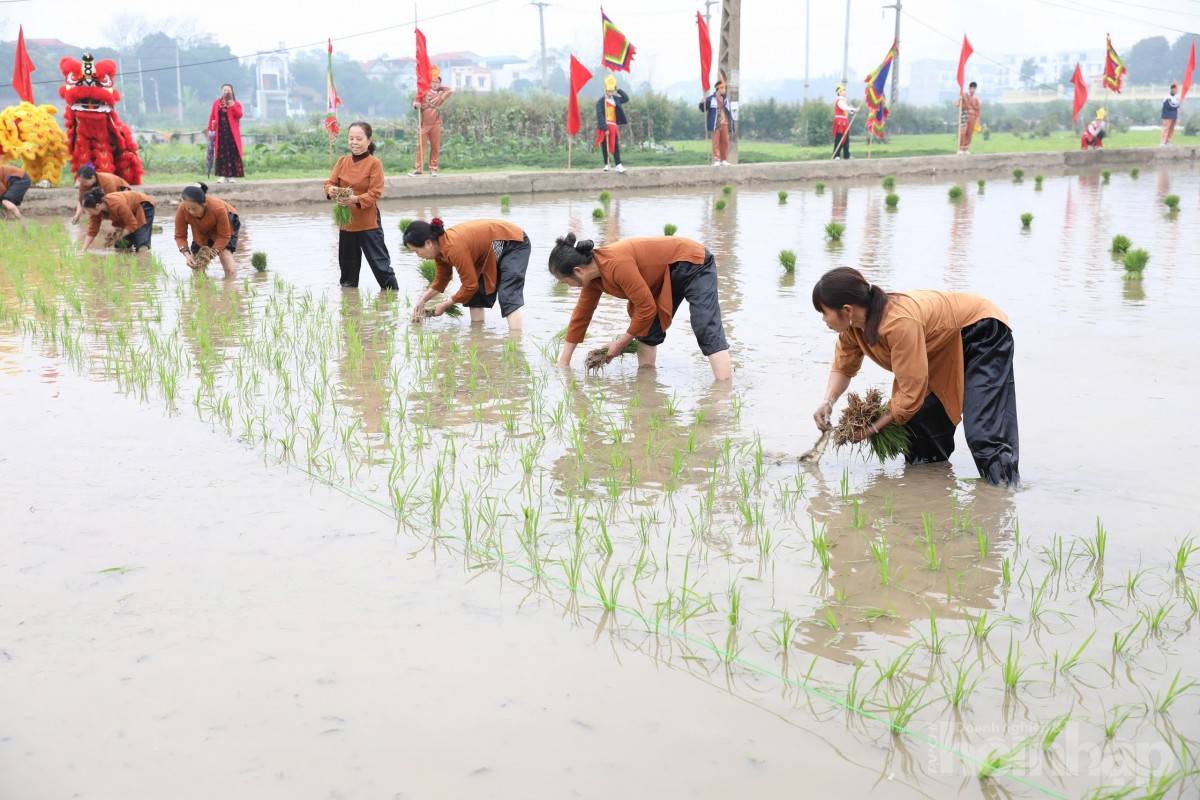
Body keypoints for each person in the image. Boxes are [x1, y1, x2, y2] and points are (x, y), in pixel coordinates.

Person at [810, 266, 1019, 487]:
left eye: (824, 312)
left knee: (983, 431)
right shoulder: (852, 330)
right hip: (938, 345)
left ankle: (1003, 496)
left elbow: (910, 393)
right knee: (921, 430)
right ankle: (926, 497)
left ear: (847, 310)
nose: (824, 319)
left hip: (981, 329)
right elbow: (843, 368)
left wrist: (872, 428)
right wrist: (828, 402)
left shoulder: (898, 323)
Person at [548, 233, 732, 381]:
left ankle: (724, 391)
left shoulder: (616, 264)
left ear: (578, 271)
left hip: (692, 261)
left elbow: (646, 308)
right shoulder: (592, 279)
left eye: (564, 282)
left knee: (704, 325)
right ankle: (646, 384)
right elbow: (582, 315)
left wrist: (620, 343)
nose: (567, 286)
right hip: (664, 272)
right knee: (647, 329)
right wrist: (564, 362)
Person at [404, 217, 530, 332]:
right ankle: (477, 336)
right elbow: (442, 279)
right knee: (475, 296)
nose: (418, 256)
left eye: (417, 251)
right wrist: (422, 300)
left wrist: (445, 305)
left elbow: (469, 285)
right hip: (491, 247)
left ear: (428, 243)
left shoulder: (453, 248)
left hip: (512, 242)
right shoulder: (440, 250)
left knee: (507, 294)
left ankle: (515, 343)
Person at [324, 121, 398, 291]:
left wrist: (354, 199)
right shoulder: (342, 161)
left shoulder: (374, 163)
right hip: (347, 224)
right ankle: (350, 309)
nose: (354, 142)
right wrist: (332, 189)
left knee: (382, 269)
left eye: (359, 138)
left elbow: (375, 193)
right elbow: (329, 183)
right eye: (351, 138)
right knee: (347, 275)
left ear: (368, 141)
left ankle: (392, 301)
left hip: (368, 224)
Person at [174, 182, 241, 278]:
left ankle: (229, 287)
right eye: (188, 208)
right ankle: (203, 291)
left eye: (194, 208)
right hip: (201, 229)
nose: (191, 212)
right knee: (197, 268)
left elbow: (224, 236)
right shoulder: (182, 209)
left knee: (225, 256)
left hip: (226, 224)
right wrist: (187, 256)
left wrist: (209, 255)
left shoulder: (218, 208)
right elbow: (180, 236)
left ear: (204, 204)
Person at [80, 187, 156, 252]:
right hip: (128, 213)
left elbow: (132, 224)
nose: (87, 213)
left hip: (143, 205)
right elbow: (92, 230)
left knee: (141, 245)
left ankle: (143, 264)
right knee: (121, 247)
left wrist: (116, 237)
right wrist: (83, 250)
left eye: (88, 210)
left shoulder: (117, 204)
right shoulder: (96, 212)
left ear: (97, 206)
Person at [410, 67, 453, 177]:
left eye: (437, 82)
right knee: (421, 146)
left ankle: (433, 169)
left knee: (435, 147)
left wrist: (439, 87)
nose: (435, 84)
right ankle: (418, 169)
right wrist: (416, 105)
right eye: (433, 81)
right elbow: (415, 102)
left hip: (436, 123)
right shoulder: (423, 92)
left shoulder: (441, 94)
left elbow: (450, 90)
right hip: (425, 123)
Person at [208, 84, 244, 183]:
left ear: (232, 92)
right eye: (225, 90)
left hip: (232, 134)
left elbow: (239, 115)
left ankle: (232, 176)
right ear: (221, 92)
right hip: (220, 134)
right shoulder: (216, 103)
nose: (226, 92)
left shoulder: (236, 103)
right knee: (221, 154)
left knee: (232, 154)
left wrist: (232, 106)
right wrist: (210, 130)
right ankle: (223, 176)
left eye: (228, 90)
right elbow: (212, 117)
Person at [595, 75, 629, 173]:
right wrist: (604, 128)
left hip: (613, 126)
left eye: (612, 91)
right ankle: (606, 164)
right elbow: (600, 116)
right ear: (605, 90)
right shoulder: (600, 102)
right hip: (605, 126)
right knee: (605, 146)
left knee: (615, 146)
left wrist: (617, 89)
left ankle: (618, 164)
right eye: (609, 91)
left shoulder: (616, 99)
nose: (610, 93)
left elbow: (626, 98)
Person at [699, 76, 734, 166]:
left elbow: (728, 113)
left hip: (725, 123)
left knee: (725, 142)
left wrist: (731, 124)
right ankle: (717, 159)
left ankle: (724, 159)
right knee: (716, 142)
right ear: (718, 88)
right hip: (715, 123)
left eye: (725, 88)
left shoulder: (725, 99)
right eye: (722, 88)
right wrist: (702, 103)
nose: (724, 90)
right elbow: (703, 109)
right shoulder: (711, 99)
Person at [832, 85, 857, 160]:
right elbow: (844, 107)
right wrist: (854, 109)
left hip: (844, 122)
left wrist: (853, 111)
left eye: (845, 91)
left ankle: (847, 155)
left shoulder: (843, 101)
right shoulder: (839, 101)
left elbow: (848, 110)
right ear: (839, 93)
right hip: (840, 122)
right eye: (843, 91)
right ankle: (836, 155)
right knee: (839, 138)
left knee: (846, 139)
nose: (845, 92)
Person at [958, 81, 981, 154]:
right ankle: (961, 148)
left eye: (974, 89)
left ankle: (966, 148)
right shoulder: (964, 96)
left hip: (973, 118)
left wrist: (977, 120)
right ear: (969, 88)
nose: (973, 90)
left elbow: (978, 110)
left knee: (969, 133)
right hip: (965, 116)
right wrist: (961, 98)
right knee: (963, 132)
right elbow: (958, 104)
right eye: (972, 88)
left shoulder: (976, 99)